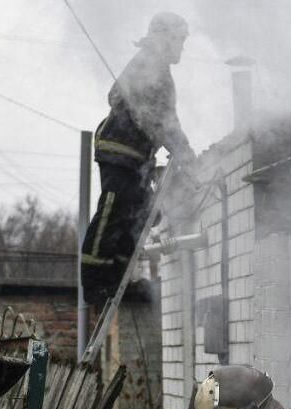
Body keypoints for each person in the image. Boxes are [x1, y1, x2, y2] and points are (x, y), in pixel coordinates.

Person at [80, 11, 196, 306]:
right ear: (163, 38)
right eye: (178, 40)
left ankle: (118, 278)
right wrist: (184, 152)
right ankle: (94, 282)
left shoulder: (160, 72)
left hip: (139, 160)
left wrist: (180, 148)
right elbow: (156, 116)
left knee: (139, 217)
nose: (181, 47)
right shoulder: (148, 63)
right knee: (112, 212)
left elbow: (164, 120)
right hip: (119, 152)